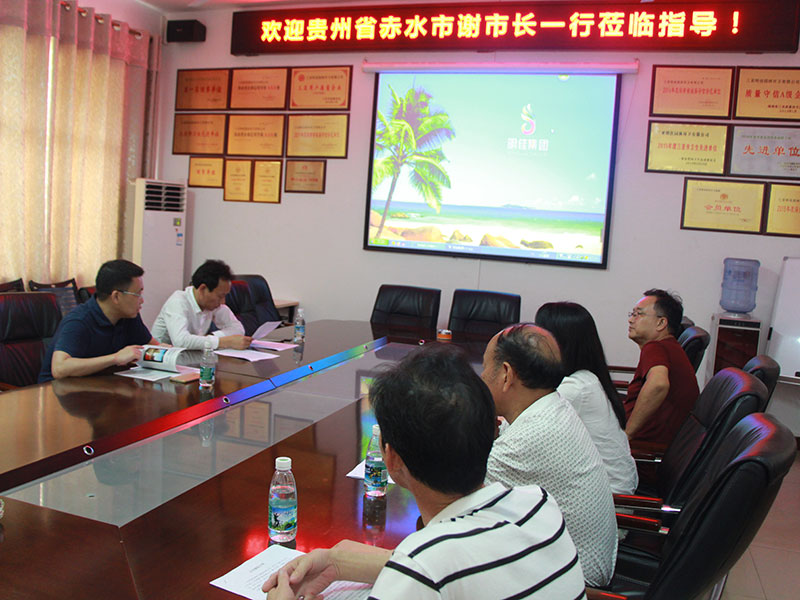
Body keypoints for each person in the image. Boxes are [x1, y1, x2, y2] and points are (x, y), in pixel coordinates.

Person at [262, 345, 586, 600]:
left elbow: (429, 570)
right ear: (492, 431)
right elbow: (460, 567)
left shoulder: (421, 572)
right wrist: (336, 562)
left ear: (391, 459)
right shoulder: (539, 504)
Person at [481, 324, 617, 587]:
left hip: (572, 582)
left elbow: (451, 495)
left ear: (506, 374)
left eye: (485, 367)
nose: (482, 376)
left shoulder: (527, 438)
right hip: (574, 559)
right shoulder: (552, 406)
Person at [535, 302, 638, 495]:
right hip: (603, 487)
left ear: (559, 341)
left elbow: (525, 427)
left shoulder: (575, 388)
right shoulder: (587, 377)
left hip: (609, 499)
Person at [38, 259, 160, 382]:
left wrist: (167, 353)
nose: (142, 300)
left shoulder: (129, 316)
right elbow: (59, 368)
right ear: (116, 296)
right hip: (57, 389)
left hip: (100, 385)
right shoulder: (79, 321)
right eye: (137, 294)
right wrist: (115, 358)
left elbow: (153, 346)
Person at [624, 289, 700, 446]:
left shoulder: (655, 347)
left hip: (642, 447)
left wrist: (627, 435)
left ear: (661, 323)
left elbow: (658, 384)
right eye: (632, 314)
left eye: (638, 314)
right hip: (660, 443)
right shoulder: (669, 347)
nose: (631, 320)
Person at [151, 259, 250, 350]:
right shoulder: (178, 301)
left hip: (190, 356)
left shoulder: (213, 305)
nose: (223, 302)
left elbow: (238, 329)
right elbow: (181, 341)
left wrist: (212, 337)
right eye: (220, 296)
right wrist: (223, 342)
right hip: (160, 357)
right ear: (203, 289)